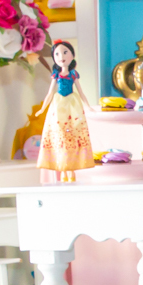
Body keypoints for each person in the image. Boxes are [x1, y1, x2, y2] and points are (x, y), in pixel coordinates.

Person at [36, 40, 93, 181]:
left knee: (73, 134)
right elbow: (49, 93)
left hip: (72, 105)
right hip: (58, 105)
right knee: (59, 135)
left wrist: (88, 106)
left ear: (72, 55)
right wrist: (42, 109)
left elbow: (81, 92)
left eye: (65, 52)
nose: (61, 56)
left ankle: (72, 169)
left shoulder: (73, 74)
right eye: (57, 54)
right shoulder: (56, 75)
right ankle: (62, 169)